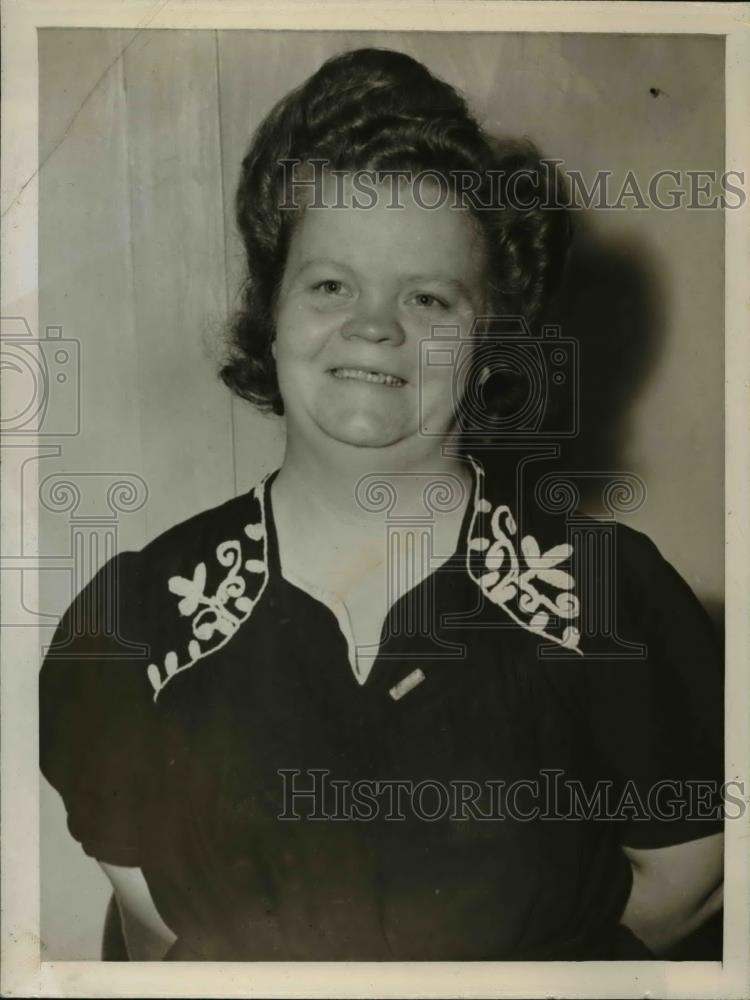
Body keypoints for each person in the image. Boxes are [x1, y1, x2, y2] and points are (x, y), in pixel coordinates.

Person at [40, 47, 724, 961]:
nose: (375, 326)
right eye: (331, 284)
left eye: (430, 298)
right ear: (271, 313)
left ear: (491, 342)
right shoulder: (133, 623)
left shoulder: (614, 603)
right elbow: (157, 929)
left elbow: (674, 903)